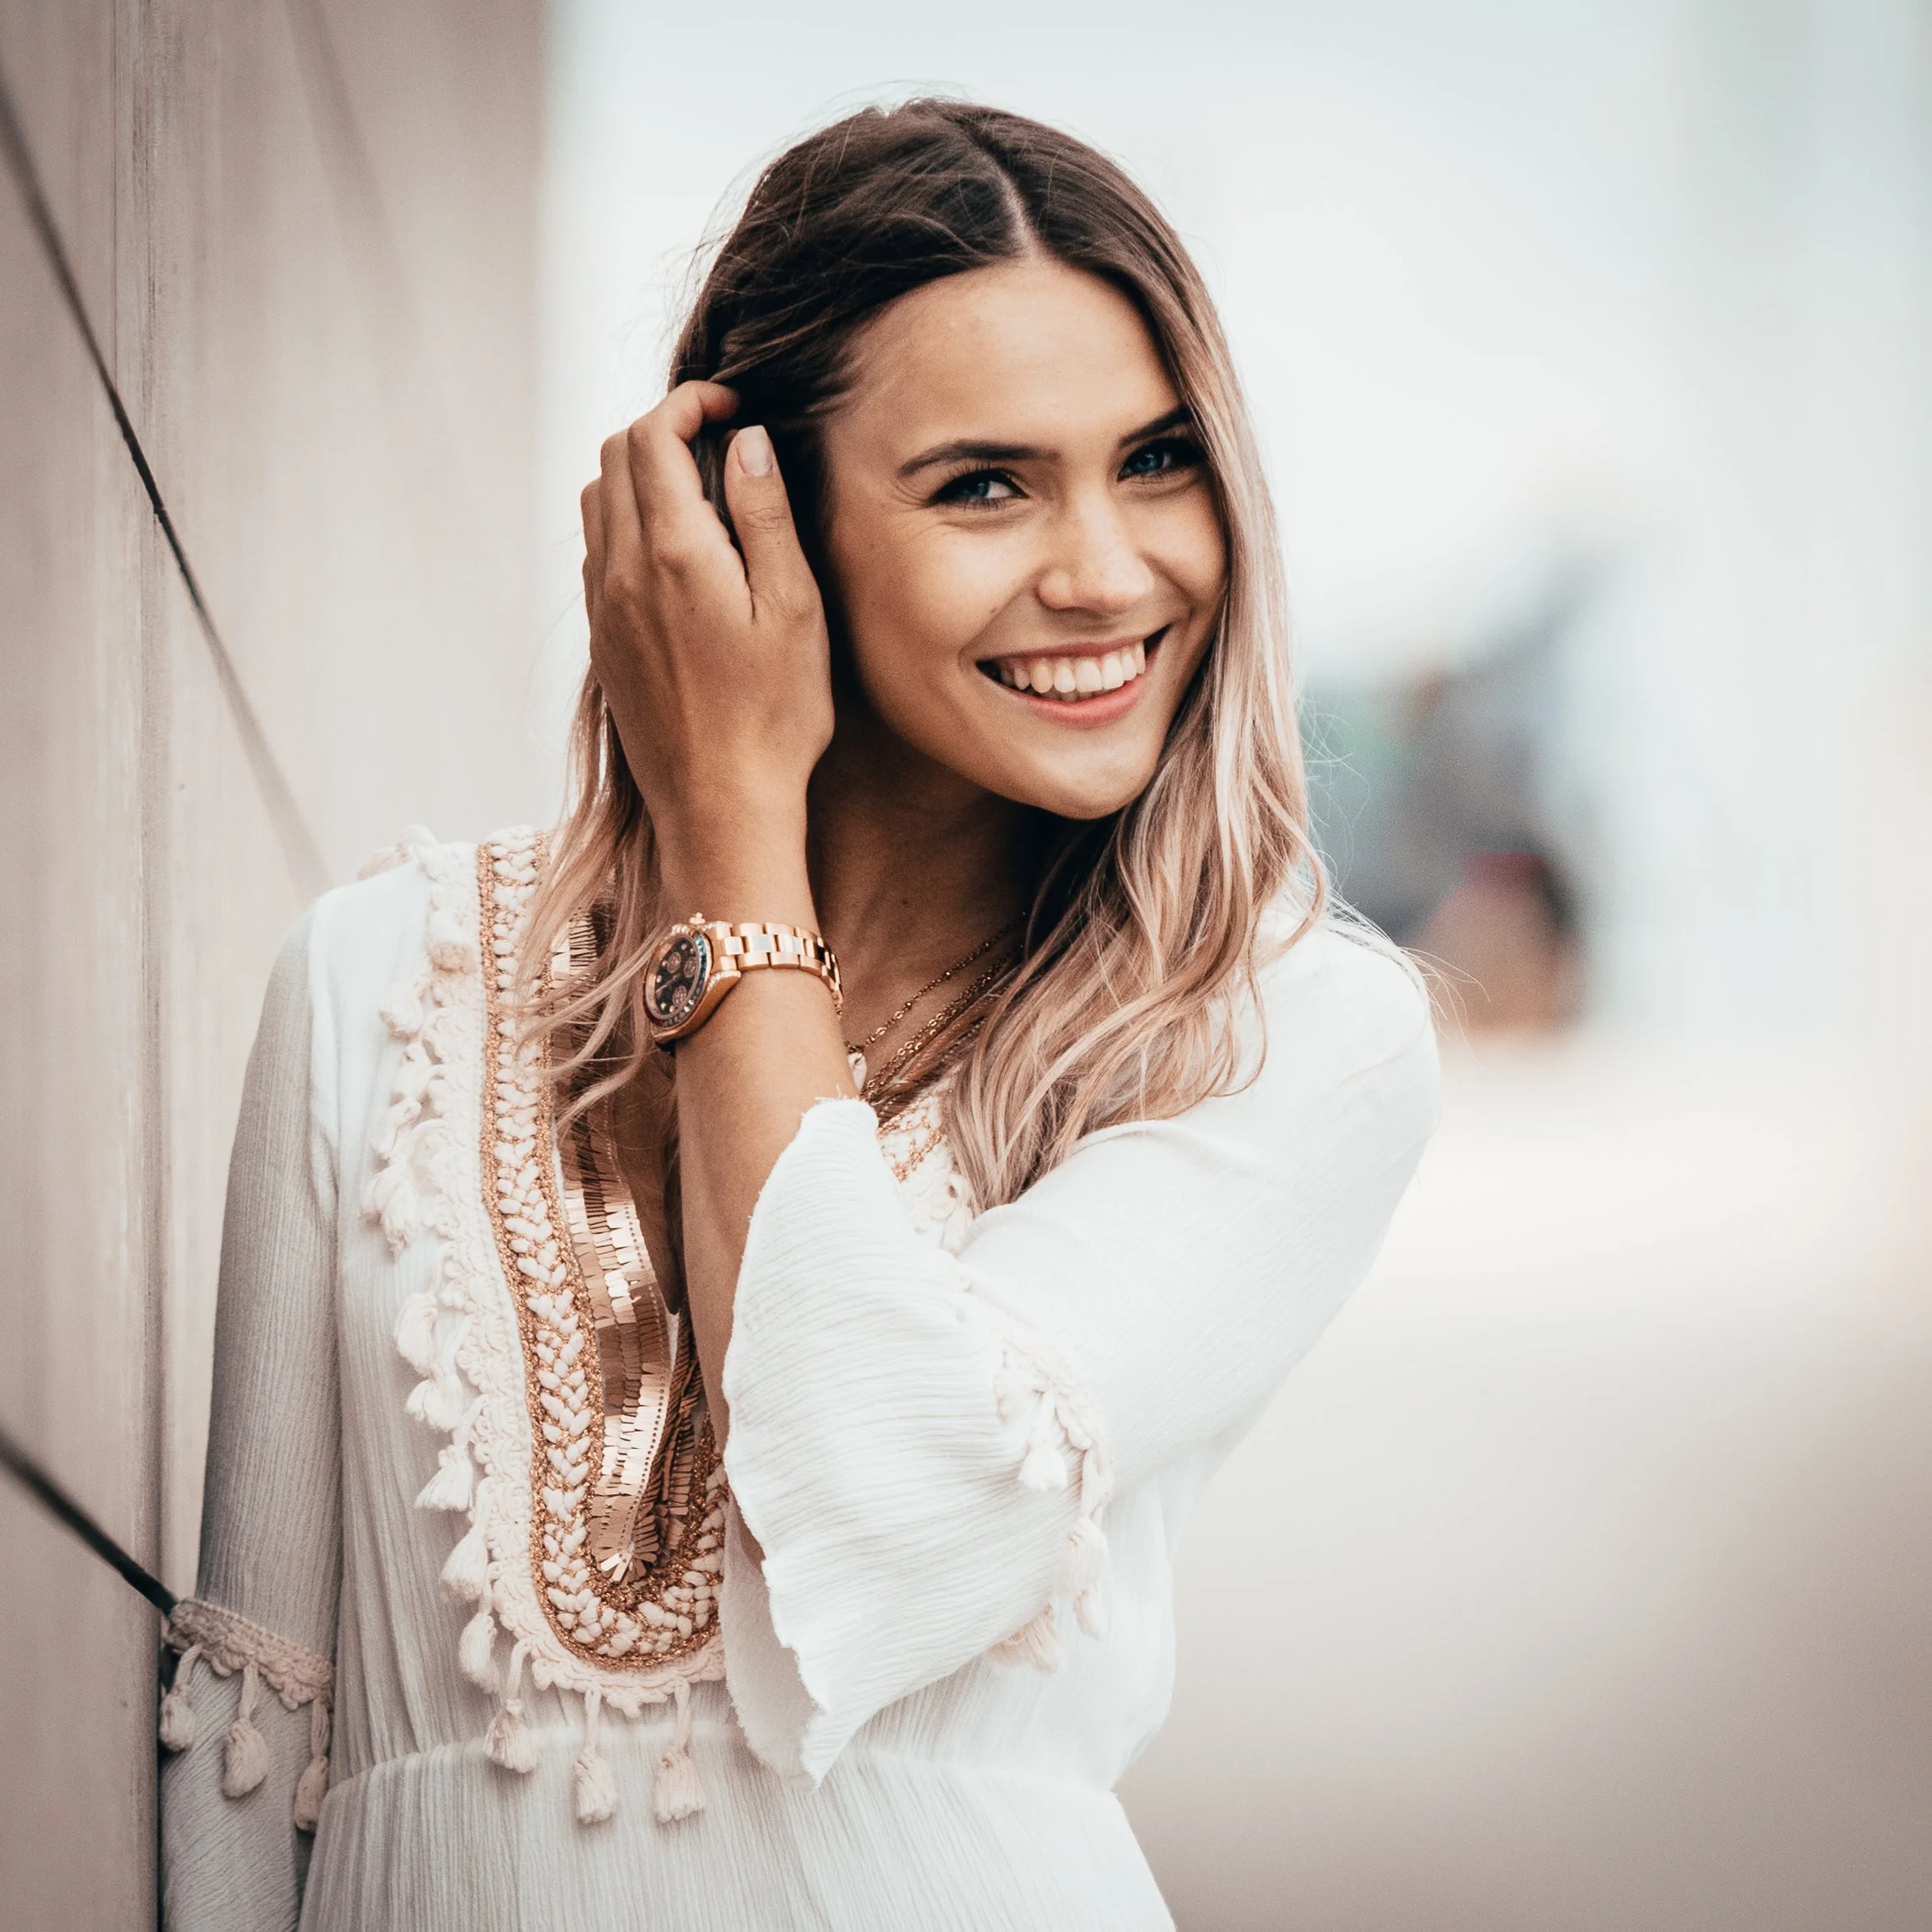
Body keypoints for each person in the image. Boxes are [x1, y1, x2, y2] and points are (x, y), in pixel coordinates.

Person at [159, 99, 1437, 1932]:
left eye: (1156, 461)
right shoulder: (380, 978)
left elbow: (870, 1492)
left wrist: (732, 831)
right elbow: (249, 1739)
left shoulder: (1281, 1040)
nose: (1106, 570)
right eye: (985, 485)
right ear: (751, 510)